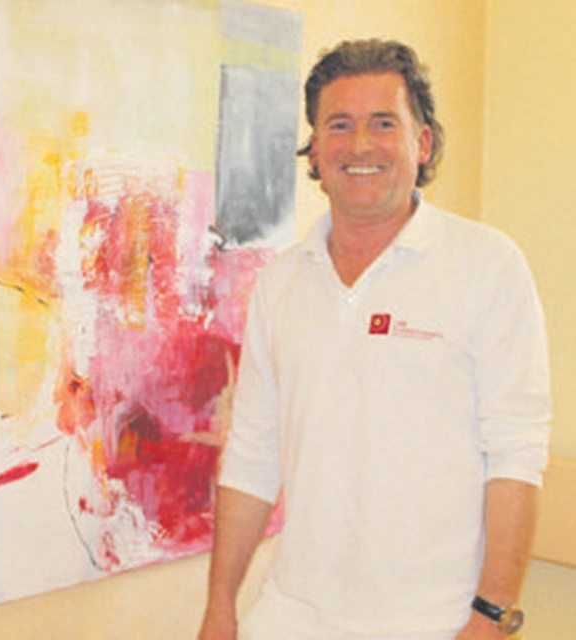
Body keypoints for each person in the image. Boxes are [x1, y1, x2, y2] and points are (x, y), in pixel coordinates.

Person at [198, 39, 550, 640]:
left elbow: (515, 452)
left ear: (423, 142)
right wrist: (220, 607)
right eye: (339, 125)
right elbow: (253, 457)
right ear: (315, 150)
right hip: (288, 618)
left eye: (384, 123)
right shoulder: (281, 284)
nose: (360, 144)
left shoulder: (486, 264)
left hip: (434, 623)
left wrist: (491, 618)